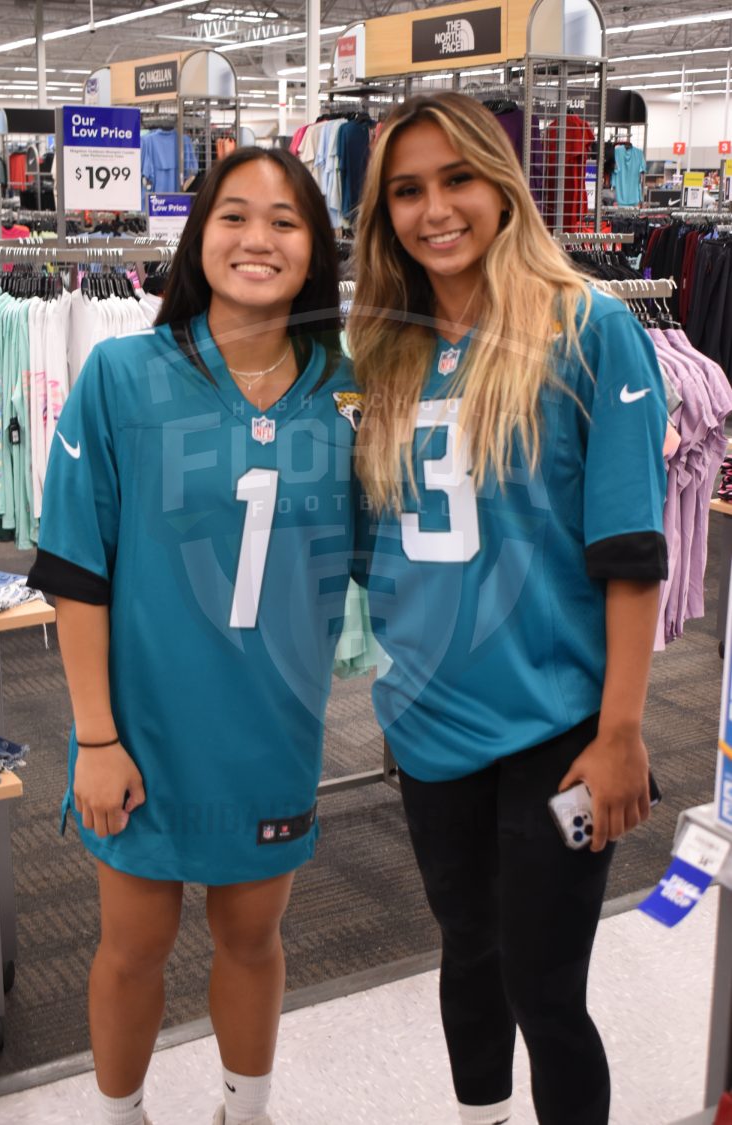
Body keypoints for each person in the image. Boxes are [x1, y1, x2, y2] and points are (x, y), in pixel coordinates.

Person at [349, 92, 667, 1125]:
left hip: (559, 728)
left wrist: (621, 731)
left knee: (546, 990)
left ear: (502, 185)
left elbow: (629, 554)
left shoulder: (590, 328)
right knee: (468, 955)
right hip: (430, 724)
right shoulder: (386, 351)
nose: (434, 208)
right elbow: (375, 549)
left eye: (456, 179)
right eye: (406, 190)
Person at [27, 148, 358, 1125]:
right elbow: (77, 571)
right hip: (141, 732)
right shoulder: (121, 374)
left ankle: (242, 1112)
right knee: (131, 947)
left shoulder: (350, 393)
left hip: (275, 733)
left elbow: (404, 553)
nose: (258, 239)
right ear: (198, 235)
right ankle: (119, 1115)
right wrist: (94, 738)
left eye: (286, 222)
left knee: (254, 939)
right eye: (234, 216)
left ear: (315, 251)